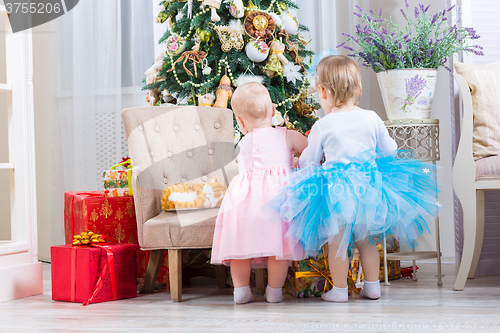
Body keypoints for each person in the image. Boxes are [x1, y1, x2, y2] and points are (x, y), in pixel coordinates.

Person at [269, 55, 441, 303]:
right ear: (356, 88)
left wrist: (299, 163)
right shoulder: (371, 117)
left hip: (335, 191)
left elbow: (309, 159)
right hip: (369, 188)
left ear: (324, 91)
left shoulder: (324, 124)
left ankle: (339, 290)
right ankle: (372, 286)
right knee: (367, 241)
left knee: (337, 242)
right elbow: (390, 150)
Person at [211, 81, 308, 304]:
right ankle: (274, 291)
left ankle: (241, 290)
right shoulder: (287, 135)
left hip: (244, 202)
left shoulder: (243, 142)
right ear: (274, 111)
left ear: (241, 123)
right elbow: (311, 149)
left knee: (240, 247)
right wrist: (297, 160)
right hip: (278, 201)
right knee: (279, 249)